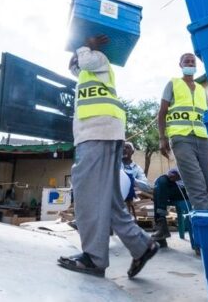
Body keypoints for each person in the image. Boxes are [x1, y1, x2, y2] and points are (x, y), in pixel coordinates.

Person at [57, 35, 158, 279]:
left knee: (88, 192)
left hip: (97, 133)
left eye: (80, 52)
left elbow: (86, 59)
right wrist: (77, 50)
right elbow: (76, 66)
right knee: (108, 198)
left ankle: (94, 257)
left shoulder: (99, 59)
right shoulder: (86, 73)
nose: (77, 57)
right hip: (103, 132)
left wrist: (85, 43)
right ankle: (141, 245)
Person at [157, 53, 208, 214]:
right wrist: (162, 138)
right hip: (181, 138)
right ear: (181, 65)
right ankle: (204, 233)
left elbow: (207, 116)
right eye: (186, 61)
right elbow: (162, 113)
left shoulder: (201, 90)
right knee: (197, 186)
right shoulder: (173, 84)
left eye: (192, 61)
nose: (190, 63)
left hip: (203, 139)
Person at [151, 168, 187, 241]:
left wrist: (180, 175)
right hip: (174, 186)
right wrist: (172, 173)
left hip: (185, 190)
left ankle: (161, 228)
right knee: (161, 180)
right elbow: (175, 169)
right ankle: (161, 227)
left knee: (158, 188)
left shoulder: (199, 160)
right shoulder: (182, 159)